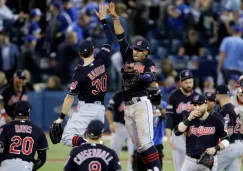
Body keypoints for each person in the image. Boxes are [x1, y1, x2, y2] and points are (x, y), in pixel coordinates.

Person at [50, 4, 113, 147]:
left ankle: (91, 144)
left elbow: (70, 97)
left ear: (80, 54)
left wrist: (60, 118)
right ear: (93, 50)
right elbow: (109, 39)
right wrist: (103, 20)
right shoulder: (101, 59)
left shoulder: (79, 73)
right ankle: (93, 147)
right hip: (99, 109)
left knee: (67, 138)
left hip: (86, 109)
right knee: (88, 153)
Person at [108, 2, 162, 170]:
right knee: (138, 146)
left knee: (146, 142)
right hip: (128, 105)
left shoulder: (148, 62)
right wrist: (116, 18)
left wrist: (139, 75)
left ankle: (156, 169)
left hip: (141, 103)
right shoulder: (127, 57)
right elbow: (121, 37)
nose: (136, 52)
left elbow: (152, 76)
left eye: (139, 50)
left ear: (146, 52)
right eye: (135, 49)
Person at [174, 94, 229, 171]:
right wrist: (189, 119)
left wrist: (215, 148)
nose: (196, 108)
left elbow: (227, 140)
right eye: (195, 105)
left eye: (199, 105)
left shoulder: (217, 120)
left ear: (206, 105)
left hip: (208, 160)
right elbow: (177, 132)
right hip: (190, 161)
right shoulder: (189, 117)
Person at [165, 69, 199, 171]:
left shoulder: (198, 97)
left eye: (190, 82)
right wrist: (168, 136)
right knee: (180, 166)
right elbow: (169, 116)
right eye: (186, 82)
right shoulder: (174, 96)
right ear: (180, 83)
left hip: (195, 133)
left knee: (195, 164)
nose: (189, 85)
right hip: (178, 133)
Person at [0, 100, 49, 171]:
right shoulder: (38, 130)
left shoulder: (5, 128)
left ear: (14, 112)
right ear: (29, 113)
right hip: (26, 166)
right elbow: (42, 159)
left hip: (6, 165)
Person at [215, 85, 243, 171]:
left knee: (209, 167)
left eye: (215, 95)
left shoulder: (225, 110)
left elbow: (229, 131)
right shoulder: (234, 108)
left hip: (231, 146)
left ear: (218, 95)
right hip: (238, 144)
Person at [132, 100, 166, 171]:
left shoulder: (162, 104)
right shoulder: (138, 103)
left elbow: (167, 117)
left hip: (156, 144)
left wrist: (160, 107)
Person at [105, 90, 133, 171]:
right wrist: (111, 124)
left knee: (133, 153)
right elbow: (108, 110)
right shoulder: (118, 95)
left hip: (132, 127)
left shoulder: (138, 95)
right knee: (113, 152)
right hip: (119, 126)